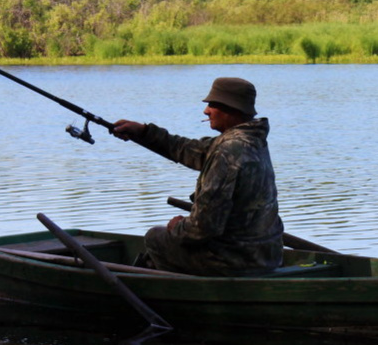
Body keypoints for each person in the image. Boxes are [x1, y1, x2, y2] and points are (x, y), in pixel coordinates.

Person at [112, 77, 284, 276]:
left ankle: (178, 295)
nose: (206, 111)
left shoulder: (226, 152)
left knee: (154, 237)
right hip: (267, 255)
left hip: (235, 261)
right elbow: (188, 150)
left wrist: (177, 227)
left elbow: (202, 228)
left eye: (213, 105)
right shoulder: (252, 141)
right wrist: (143, 132)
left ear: (231, 108)